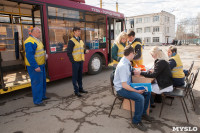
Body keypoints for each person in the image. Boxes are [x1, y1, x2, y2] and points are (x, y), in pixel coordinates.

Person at [113, 45, 152, 132]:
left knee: (147, 92)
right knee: (140, 98)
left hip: (128, 85)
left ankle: (143, 113)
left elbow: (130, 70)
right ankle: (136, 121)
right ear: (130, 53)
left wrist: (136, 71)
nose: (134, 55)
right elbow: (124, 85)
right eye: (133, 54)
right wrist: (136, 91)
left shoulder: (127, 62)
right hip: (121, 89)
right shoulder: (123, 65)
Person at [24, 27, 49, 106]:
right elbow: (30, 56)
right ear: (33, 32)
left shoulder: (37, 40)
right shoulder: (29, 41)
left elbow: (39, 52)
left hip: (41, 64)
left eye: (40, 32)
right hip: (35, 66)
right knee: (37, 83)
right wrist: (35, 66)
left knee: (42, 81)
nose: (40, 33)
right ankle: (37, 101)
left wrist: (45, 56)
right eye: (38, 32)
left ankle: (42, 96)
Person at [67, 27, 89, 97]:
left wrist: (85, 51)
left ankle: (80, 89)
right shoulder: (71, 41)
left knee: (80, 76)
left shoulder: (81, 40)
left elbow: (81, 50)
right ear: (74, 32)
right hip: (75, 62)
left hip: (81, 61)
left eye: (80, 31)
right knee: (75, 77)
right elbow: (69, 52)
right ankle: (76, 91)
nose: (79, 32)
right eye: (78, 31)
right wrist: (72, 61)